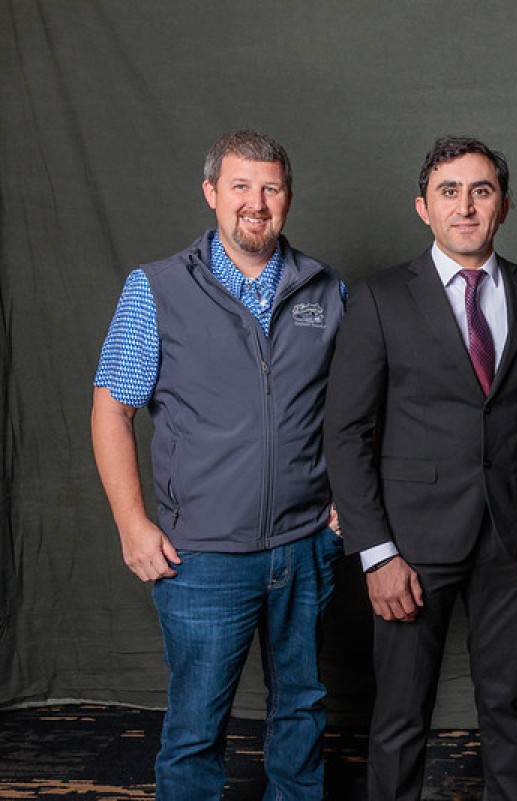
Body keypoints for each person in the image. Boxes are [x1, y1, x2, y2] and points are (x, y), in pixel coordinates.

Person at [91, 129, 344, 799]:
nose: (255, 203)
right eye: (240, 186)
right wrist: (131, 523)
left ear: (287, 196)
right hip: (202, 555)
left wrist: (348, 501)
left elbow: (354, 406)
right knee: (197, 727)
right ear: (211, 193)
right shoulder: (156, 288)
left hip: (306, 548)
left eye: (270, 187)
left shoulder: (326, 287)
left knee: (302, 715)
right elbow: (112, 409)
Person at [323, 136, 517, 801]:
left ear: (505, 206)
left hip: (515, 539)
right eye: (449, 192)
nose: (466, 206)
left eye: (481, 191)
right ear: (423, 208)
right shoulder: (378, 300)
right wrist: (375, 554)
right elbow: (343, 433)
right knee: (400, 716)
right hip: (409, 543)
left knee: (509, 709)